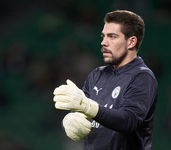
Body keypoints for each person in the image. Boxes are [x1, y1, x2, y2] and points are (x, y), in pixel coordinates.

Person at [53, 10, 158, 150]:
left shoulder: (142, 77)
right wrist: (70, 120)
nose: (104, 42)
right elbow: (80, 109)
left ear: (131, 42)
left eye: (112, 36)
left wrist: (88, 107)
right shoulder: (96, 75)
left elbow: (129, 121)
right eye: (103, 36)